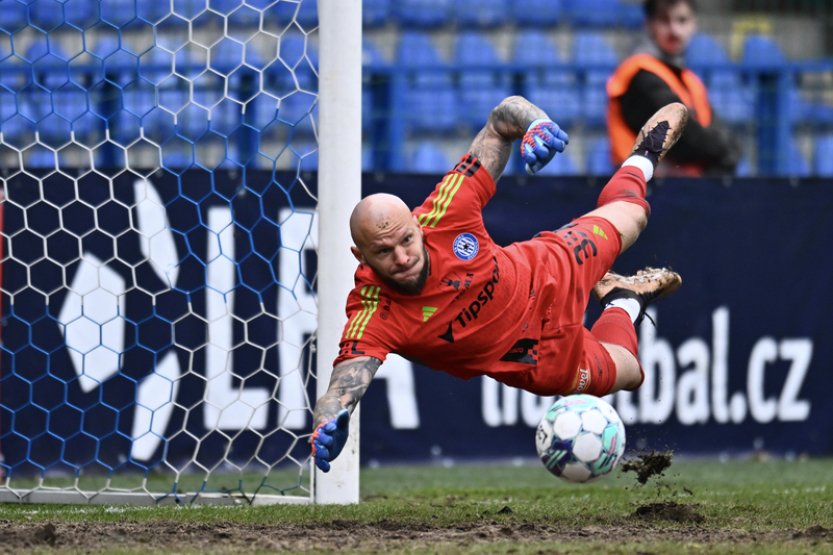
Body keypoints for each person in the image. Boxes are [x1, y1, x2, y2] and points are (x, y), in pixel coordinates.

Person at [311, 96, 689, 472]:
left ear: (415, 223)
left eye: (407, 239)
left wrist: (535, 123)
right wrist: (330, 421)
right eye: (384, 251)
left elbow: (500, 121)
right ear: (361, 257)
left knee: (635, 216)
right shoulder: (374, 312)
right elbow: (341, 388)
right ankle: (623, 300)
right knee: (630, 372)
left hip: (550, 268)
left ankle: (641, 158)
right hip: (540, 358)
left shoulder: (446, 211)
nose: (402, 256)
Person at [607, 0, 740, 175]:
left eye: (682, 20)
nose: (674, 30)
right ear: (649, 24)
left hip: (687, 189)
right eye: (664, 20)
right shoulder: (640, 75)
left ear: (694, 24)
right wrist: (725, 151)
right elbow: (682, 140)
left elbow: (714, 130)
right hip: (644, 192)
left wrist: (726, 149)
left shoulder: (689, 79)